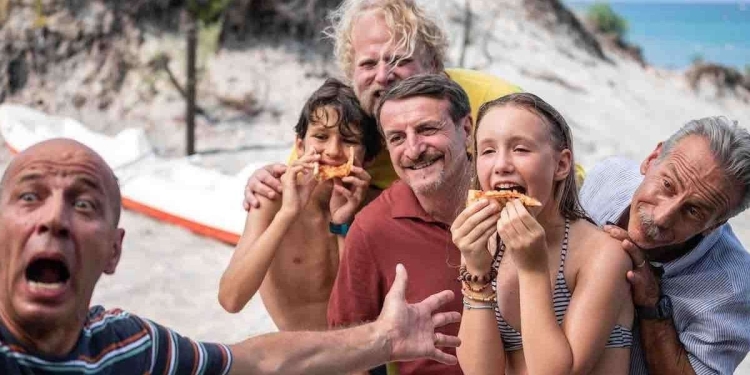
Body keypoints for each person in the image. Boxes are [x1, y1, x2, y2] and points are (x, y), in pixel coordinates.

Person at [0, 138, 462, 374]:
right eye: (29, 197)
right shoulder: (272, 202)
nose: (54, 219)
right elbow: (232, 296)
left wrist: (385, 337)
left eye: (83, 204)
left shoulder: (126, 347)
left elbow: (256, 361)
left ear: (115, 251)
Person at [242, 0, 523, 208]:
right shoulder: (339, 124)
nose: (383, 76)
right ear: (351, 74)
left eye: (400, 60)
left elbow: (561, 180)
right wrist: (265, 183)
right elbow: (301, 197)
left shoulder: (495, 103)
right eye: (368, 63)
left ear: (434, 65)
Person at [453, 93, 633, 374]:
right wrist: (476, 270)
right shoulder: (485, 244)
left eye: (521, 149)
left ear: (561, 165)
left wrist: (533, 270)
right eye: (487, 151)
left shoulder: (602, 254)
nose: (501, 164)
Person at [579, 116, 750, 375]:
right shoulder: (606, 178)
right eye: (668, 185)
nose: (661, 217)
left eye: (693, 211)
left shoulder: (734, 290)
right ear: (652, 158)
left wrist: (652, 304)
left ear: (715, 224)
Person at [327, 74, 474, 375]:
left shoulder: (513, 195)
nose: (413, 149)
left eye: (427, 129)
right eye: (397, 138)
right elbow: (343, 355)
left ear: (467, 129)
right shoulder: (372, 228)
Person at [218, 78, 379, 331]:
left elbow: (363, 309)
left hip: (361, 356)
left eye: (349, 140)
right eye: (321, 136)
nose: (333, 151)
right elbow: (230, 299)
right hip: (302, 357)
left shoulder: (374, 205)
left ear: (368, 158)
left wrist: (342, 225)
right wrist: (288, 213)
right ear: (300, 145)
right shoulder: (271, 197)